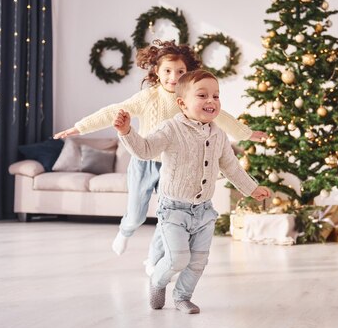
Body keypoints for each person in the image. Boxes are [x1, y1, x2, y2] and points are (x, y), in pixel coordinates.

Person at [53, 40, 265, 265]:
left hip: (173, 166)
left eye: (180, 71)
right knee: (136, 215)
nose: (173, 77)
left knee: (168, 217)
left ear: (188, 73)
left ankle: (153, 260)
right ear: (156, 71)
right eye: (167, 71)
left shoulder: (191, 98)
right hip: (144, 161)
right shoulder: (148, 98)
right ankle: (126, 231)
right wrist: (80, 127)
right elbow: (114, 111)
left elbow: (221, 116)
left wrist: (246, 133)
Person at [114, 69, 271, 314]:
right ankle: (157, 280)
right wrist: (127, 132)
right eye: (202, 95)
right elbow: (145, 150)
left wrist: (251, 188)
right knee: (178, 258)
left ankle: (182, 297)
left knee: (198, 261)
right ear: (182, 103)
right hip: (173, 209)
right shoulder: (171, 129)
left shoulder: (218, 134)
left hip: (204, 212)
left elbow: (231, 166)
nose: (211, 101)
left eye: (216, 96)